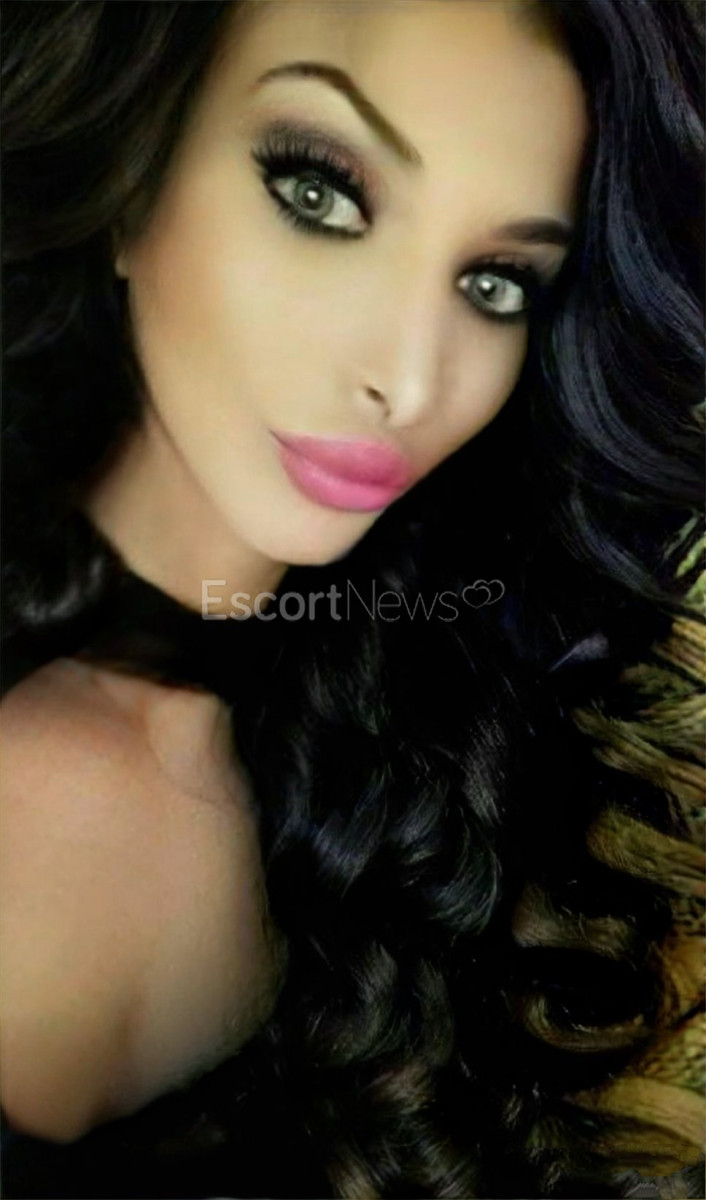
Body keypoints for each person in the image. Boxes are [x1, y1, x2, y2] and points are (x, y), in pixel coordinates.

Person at [1, 1, 703, 1197]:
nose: (409, 377)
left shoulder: (384, 733)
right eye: (318, 195)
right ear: (130, 176)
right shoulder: (56, 793)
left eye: (495, 282)